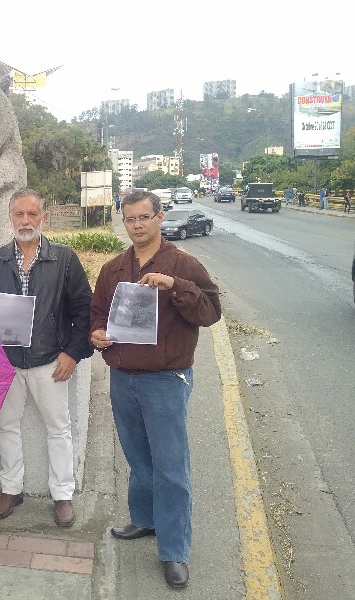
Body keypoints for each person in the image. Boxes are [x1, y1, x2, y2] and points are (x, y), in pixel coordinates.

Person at [89, 190, 221, 590]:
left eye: (145, 217)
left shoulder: (184, 264)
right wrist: (96, 333)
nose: (137, 225)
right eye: (130, 219)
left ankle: (175, 550)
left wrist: (175, 285)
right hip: (123, 377)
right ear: (123, 222)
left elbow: (211, 312)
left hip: (166, 379)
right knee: (138, 457)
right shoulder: (113, 269)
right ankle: (145, 520)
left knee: (170, 466)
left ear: (160, 218)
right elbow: (98, 313)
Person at [0, 188, 93, 528]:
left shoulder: (64, 259)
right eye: (18, 214)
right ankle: (11, 489)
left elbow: (83, 310)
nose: (25, 221)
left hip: (49, 360)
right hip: (6, 361)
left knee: (59, 429)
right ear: (9, 218)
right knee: (6, 426)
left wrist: (72, 353)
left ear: (44, 218)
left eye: (32, 214)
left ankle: (62, 495)